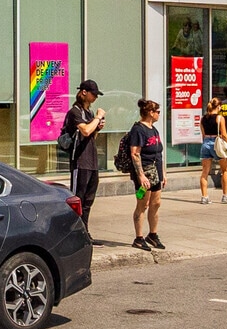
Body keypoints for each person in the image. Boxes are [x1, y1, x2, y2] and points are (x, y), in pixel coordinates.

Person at [118, 100, 166, 251]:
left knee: (156, 203)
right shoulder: (138, 130)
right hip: (144, 173)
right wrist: (141, 176)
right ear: (151, 113)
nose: (159, 114)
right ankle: (138, 238)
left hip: (156, 172)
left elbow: (159, 152)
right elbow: (135, 154)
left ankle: (153, 235)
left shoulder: (154, 130)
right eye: (158, 111)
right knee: (142, 204)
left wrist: (163, 173)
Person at [59, 79, 108, 229]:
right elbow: (85, 130)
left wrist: (97, 128)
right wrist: (98, 118)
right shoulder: (75, 112)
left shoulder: (89, 113)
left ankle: (84, 231)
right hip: (80, 161)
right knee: (78, 198)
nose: (95, 98)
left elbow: (91, 136)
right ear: (84, 93)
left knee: (88, 200)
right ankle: (72, 231)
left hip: (91, 160)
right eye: (93, 94)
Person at [198, 95, 227, 204]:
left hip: (206, 143)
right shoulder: (220, 118)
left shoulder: (203, 119)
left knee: (204, 172)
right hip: (217, 143)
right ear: (218, 106)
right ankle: (225, 195)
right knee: (225, 170)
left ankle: (204, 197)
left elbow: (203, 135)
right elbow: (224, 134)